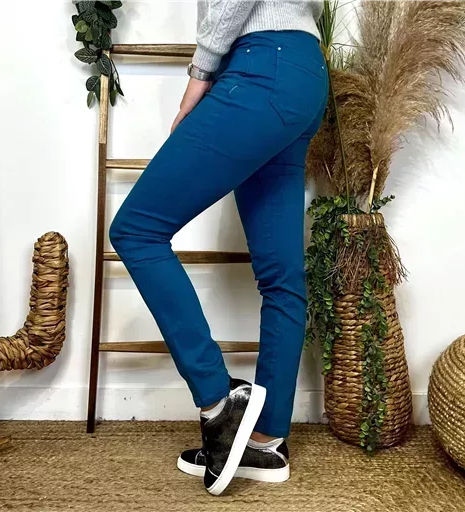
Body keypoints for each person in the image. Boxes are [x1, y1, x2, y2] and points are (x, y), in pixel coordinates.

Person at [109, 0, 328, 496]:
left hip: (261, 68)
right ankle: (264, 442)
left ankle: (219, 401)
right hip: (302, 71)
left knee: (137, 230)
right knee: (281, 278)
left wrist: (200, 73)